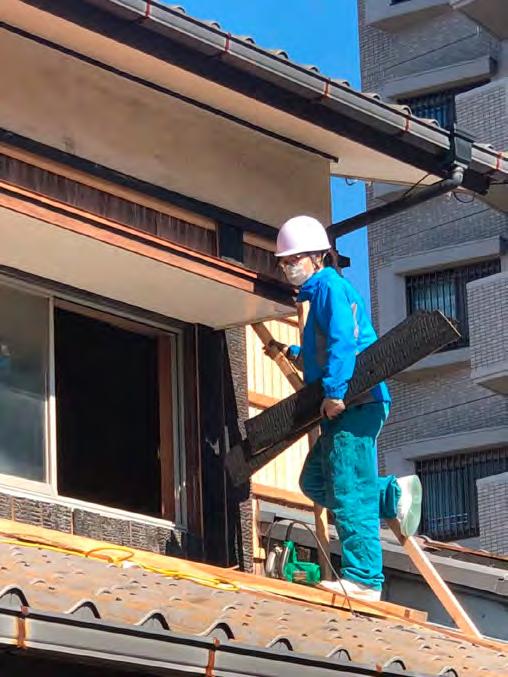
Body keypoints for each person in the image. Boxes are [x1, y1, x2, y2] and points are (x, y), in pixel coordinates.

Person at [267, 215, 422, 602]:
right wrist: (292, 353)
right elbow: (326, 353)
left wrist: (335, 392)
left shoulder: (330, 288)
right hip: (349, 403)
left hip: (354, 401)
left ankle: (364, 579)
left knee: (350, 489)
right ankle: (390, 493)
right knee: (314, 482)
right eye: (284, 263)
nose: (288, 268)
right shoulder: (322, 293)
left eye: (294, 260)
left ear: (317, 256)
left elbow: (343, 342)